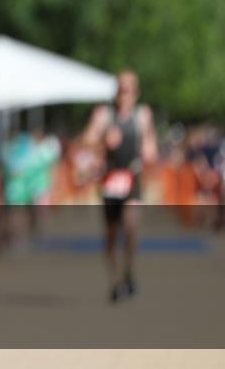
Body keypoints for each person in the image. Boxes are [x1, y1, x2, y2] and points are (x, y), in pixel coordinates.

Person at [79, 70, 158, 303]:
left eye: (130, 89)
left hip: (132, 177)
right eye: (122, 89)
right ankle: (114, 282)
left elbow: (150, 145)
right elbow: (86, 139)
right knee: (112, 233)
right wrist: (103, 139)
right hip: (110, 179)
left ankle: (129, 272)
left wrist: (149, 152)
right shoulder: (104, 114)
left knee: (131, 226)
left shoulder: (143, 115)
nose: (125, 94)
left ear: (137, 92)